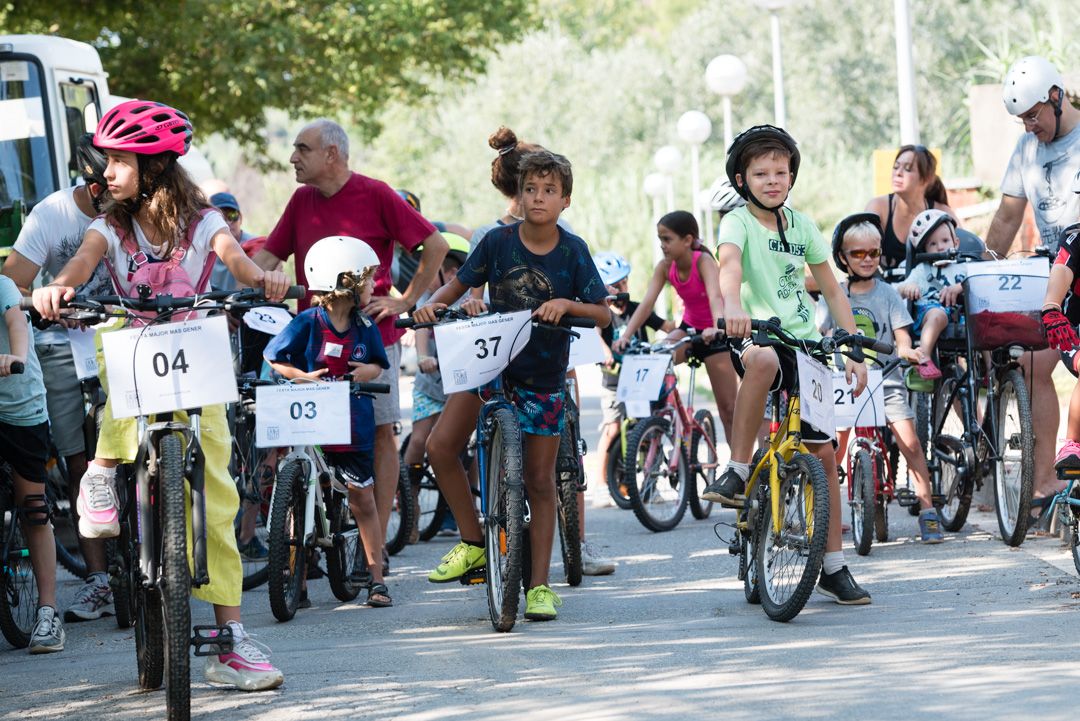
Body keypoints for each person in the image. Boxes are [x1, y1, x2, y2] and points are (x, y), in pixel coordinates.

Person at [32, 99, 287, 690]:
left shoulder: (203, 222)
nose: (107, 174)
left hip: (194, 346)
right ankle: (102, 469)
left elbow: (239, 264)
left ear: (152, 167)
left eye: (118, 162)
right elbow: (79, 264)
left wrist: (265, 279)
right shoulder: (109, 225)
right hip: (133, 343)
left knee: (218, 502)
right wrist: (56, 291)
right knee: (115, 341)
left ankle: (229, 642)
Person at [416, 150, 610, 621]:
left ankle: (540, 586)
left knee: (539, 482)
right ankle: (473, 541)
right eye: (530, 189)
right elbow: (457, 286)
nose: (538, 198)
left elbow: (603, 313)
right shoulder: (497, 242)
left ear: (566, 199)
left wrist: (566, 303)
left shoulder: (573, 250)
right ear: (518, 196)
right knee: (441, 447)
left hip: (543, 374)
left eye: (549, 191)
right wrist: (431, 306)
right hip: (490, 365)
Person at [253, 119, 449, 571]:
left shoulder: (376, 193)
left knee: (379, 435)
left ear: (332, 154)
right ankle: (309, 534)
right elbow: (266, 259)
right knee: (314, 440)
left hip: (371, 336)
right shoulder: (302, 200)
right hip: (315, 335)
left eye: (302, 148)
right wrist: (229, 282)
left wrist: (405, 298)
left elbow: (434, 246)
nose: (293, 157)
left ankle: (372, 548)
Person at [701, 124, 872, 605]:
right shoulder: (736, 222)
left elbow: (833, 289)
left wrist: (852, 347)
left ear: (792, 176)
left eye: (781, 171)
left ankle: (834, 567)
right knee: (765, 360)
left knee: (822, 455)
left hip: (805, 342)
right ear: (742, 179)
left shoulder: (802, 226)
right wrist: (732, 305)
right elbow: (730, 264)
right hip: (755, 333)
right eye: (761, 173)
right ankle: (736, 469)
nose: (773, 180)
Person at [1, 134, 117, 623]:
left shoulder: (143, 208)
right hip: (63, 348)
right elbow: (14, 282)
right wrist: (48, 302)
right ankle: (96, 578)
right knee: (78, 463)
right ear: (93, 188)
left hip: (125, 340)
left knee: (147, 454)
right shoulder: (51, 215)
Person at [264, 236, 392, 607]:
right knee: (298, 495)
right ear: (345, 281)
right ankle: (294, 575)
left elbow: (377, 365)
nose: (373, 286)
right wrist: (301, 377)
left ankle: (376, 578)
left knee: (362, 498)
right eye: (367, 279)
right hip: (313, 424)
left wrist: (364, 372)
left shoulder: (364, 325)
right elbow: (277, 359)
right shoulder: (307, 321)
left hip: (353, 427)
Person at [987, 56, 1080, 501]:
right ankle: (1047, 482)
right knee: (1030, 361)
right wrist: (984, 269)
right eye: (1021, 118)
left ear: (1056, 97)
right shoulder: (1026, 149)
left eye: (1032, 115)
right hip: (1049, 268)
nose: (1028, 126)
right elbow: (1007, 216)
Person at [826, 213, 943, 542]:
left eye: (873, 253)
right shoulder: (835, 294)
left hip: (885, 379)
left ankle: (927, 509)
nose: (866, 260)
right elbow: (823, 329)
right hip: (844, 383)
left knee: (911, 443)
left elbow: (902, 334)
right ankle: (827, 512)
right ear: (842, 257)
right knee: (832, 449)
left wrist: (906, 349)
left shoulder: (888, 294)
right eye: (858, 253)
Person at [612, 211, 738, 441]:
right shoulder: (664, 267)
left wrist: (718, 327)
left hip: (714, 333)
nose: (662, 245)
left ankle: (739, 469)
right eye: (660, 239)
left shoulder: (704, 261)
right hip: (688, 329)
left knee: (729, 409)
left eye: (667, 239)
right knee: (656, 358)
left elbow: (715, 297)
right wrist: (626, 335)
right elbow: (646, 304)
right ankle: (663, 420)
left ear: (688, 240)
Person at [0, 274, 65, 652]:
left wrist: (17, 358)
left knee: (34, 509)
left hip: (19, 404)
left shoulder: (3, 286)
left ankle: (47, 612)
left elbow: (15, 321)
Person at [401, 232, 470, 543]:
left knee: (474, 445)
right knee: (418, 442)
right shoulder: (424, 298)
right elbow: (421, 329)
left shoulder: (470, 299)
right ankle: (409, 505)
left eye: (457, 269)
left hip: (463, 384)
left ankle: (469, 508)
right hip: (432, 382)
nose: (423, 271)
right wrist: (424, 356)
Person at [594, 251, 674, 507]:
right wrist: (604, 351)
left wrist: (683, 327)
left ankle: (650, 484)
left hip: (642, 380)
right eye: (616, 284)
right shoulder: (602, 312)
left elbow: (666, 327)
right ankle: (601, 486)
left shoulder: (638, 309)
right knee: (613, 427)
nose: (622, 288)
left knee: (650, 427)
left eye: (625, 281)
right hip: (615, 380)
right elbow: (594, 334)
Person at [895, 210, 969, 380]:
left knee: (980, 319)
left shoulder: (964, 267)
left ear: (956, 243)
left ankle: (989, 368)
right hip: (929, 314)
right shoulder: (922, 270)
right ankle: (924, 357)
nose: (940, 247)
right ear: (925, 250)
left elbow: (978, 282)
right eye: (932, 244)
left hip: (958, 317)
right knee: (938, 314)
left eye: (945, 241)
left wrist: (961, 286)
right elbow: (900, 288)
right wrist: (909, 287)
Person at [865, 145, 958, 276]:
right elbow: (861, 255)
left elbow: (964, 254)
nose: (898, 173)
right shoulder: (878, 208)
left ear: (926, 179)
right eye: (896, 167)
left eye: (908, 169)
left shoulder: (942, 213)